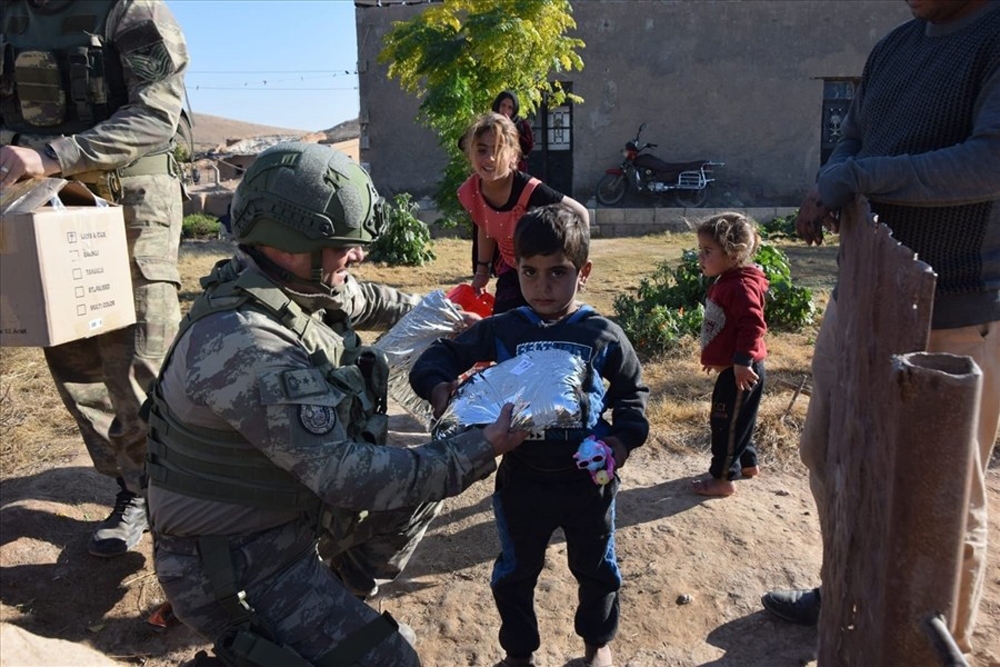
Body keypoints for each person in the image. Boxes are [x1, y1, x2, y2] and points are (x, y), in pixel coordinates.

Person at [144, 142, 528, 667]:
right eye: (345, 244)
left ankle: (340, 596)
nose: (358, 255)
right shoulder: (247, 345)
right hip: (233, 563)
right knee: (394, 661)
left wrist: (436, 313)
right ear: (292, 243)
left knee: (416, 472)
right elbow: (350, 477)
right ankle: (272, 635)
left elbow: (364, 298)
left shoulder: (285, 282)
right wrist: (477, 448)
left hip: (286, 514)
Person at [761, 0, 1000, 653]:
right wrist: (833, 173)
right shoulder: (893, 48)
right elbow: (854, 136)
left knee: (944, 500)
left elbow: (987, 163)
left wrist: (859, 176)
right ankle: (844, 592)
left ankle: (933, 647)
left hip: (957, 307)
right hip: (863, 294)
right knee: (827, 448)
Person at [410, 204, 649, 667]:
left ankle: (597, 644)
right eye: (530, 272)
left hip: (589, 482)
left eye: (558, 272)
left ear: (584, 273)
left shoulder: (602, 335)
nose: (543, 286)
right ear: (514, 269)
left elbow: (633, 395)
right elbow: (441, 354)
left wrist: (619, 444)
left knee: (596, 567)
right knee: (515, 571)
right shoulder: (504, 329)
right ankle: (519, 652)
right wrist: (439, 386)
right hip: (522, 478)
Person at [0, 0, 188, 558]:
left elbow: (158, 113)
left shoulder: (131, 10)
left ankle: (175, 495)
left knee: (141, 352)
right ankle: (131, 487)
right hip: (39, 194)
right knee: (71, 353)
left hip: (130, 191)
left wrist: (54, 155)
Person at [459, 112, 589, 314]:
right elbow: (486, 226)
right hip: (512, 269)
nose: (490, 158)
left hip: (543, 270)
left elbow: (580, 212)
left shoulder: (530, 190)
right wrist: (482, 271)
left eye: (498, 150)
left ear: (514, 156)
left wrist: (577, 268)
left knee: (546, 322)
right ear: (470, 153)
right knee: (506, 322)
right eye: (482, 150)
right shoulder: (473, 190)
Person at [691, 213, 768, 498]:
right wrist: (721, 358)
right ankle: (747, 464)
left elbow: (752, 325)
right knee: (740, 419)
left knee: (725, 423)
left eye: (707, 251)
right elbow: (729, 327)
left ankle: (723, 479)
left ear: (733, 253)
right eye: (700, 249)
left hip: (742, 371)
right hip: (735, 367)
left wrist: (741, 362)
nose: (701, 256)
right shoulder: (730, 279)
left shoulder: (741, 286)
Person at [492, 90, 534, 173]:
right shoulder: (489, 123)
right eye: (503, 105)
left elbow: (527, 147)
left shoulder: (521, 124)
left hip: (515, 169)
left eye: (510, 108)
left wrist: (511, 128)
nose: (505, 110)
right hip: (494, 168)